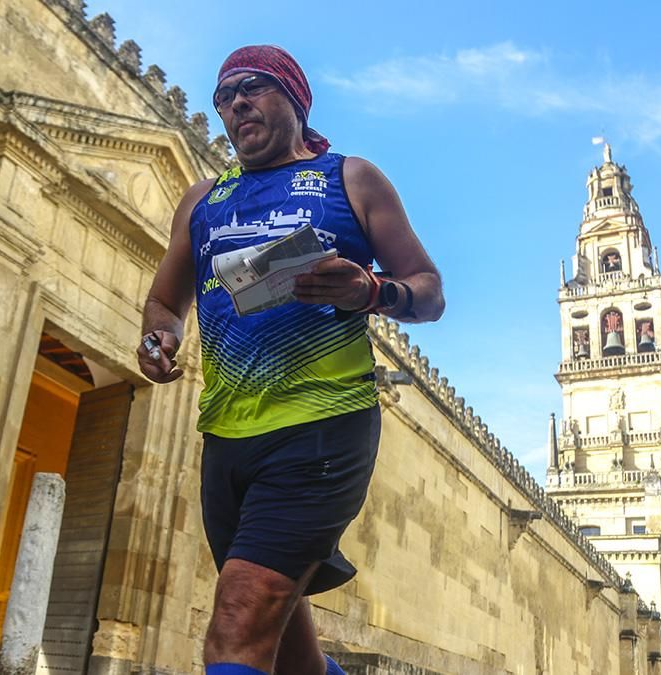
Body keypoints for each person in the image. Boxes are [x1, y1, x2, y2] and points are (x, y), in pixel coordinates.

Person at [136, 45, 444, 675]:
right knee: (281, 635)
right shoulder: (201, 201)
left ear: (295, 100)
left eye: (252, 88)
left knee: (240, 615)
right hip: (226, 435)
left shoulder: (350, 179)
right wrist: (157, 338)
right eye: (224, 96)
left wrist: (372, 291)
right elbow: (165, 301)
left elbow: (429, 291)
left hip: (322, 427)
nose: (235, 103)